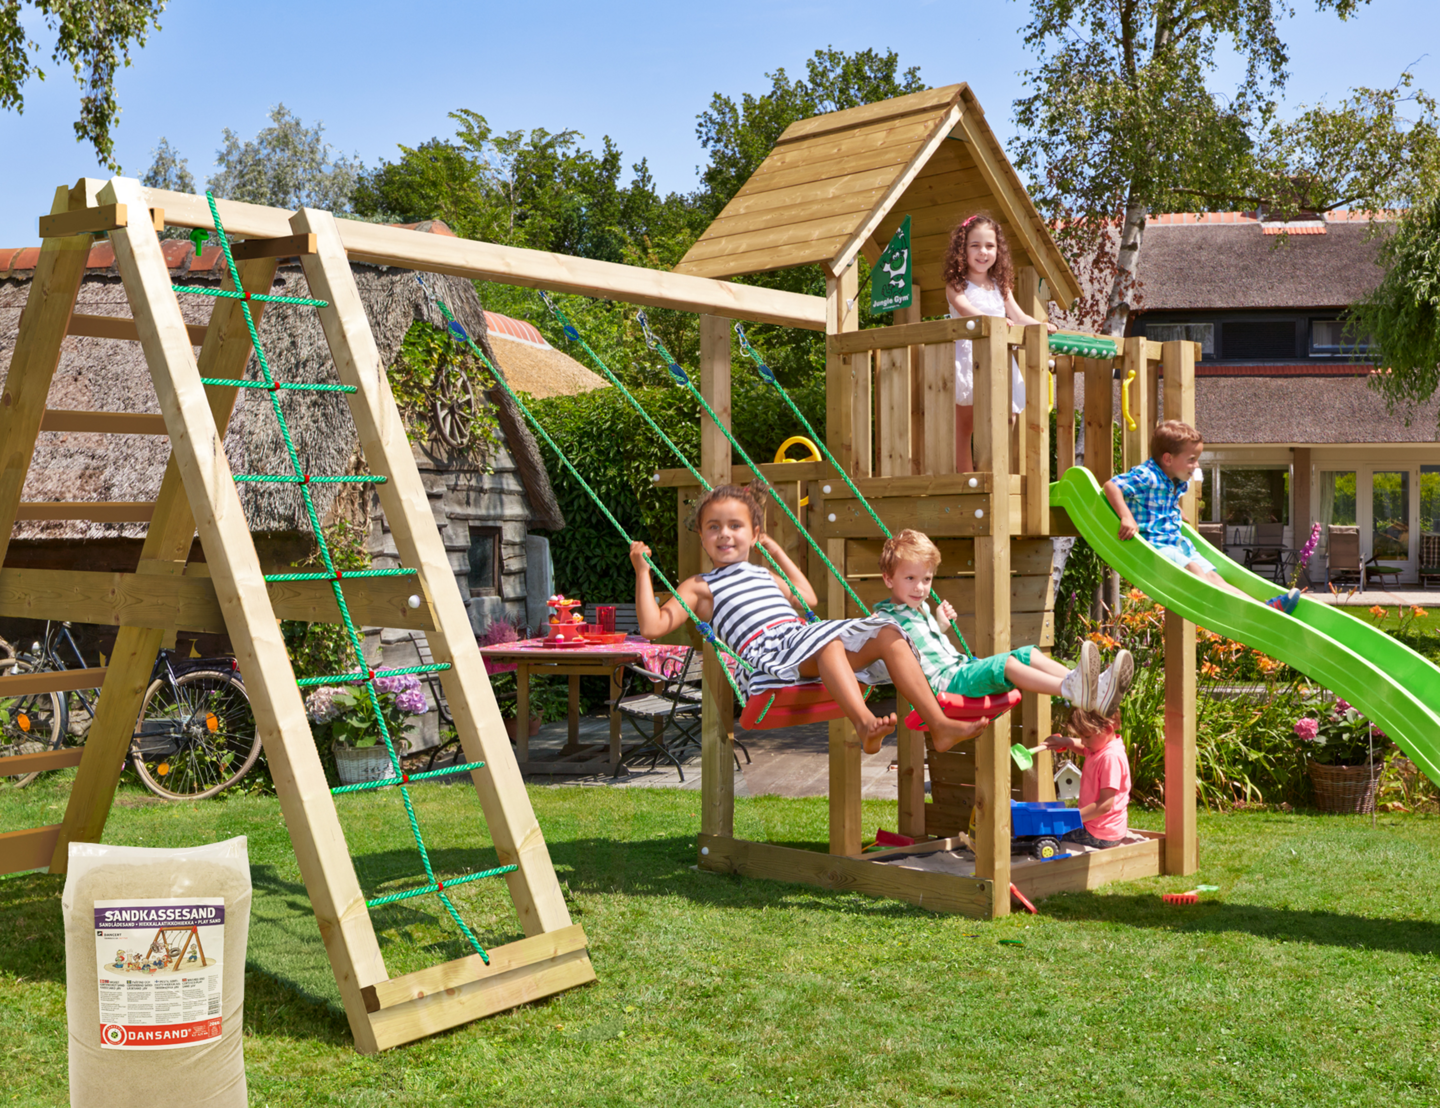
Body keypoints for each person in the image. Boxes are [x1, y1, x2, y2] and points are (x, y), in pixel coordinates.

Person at [631, 485, 989, 756]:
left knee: (889, 632)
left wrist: (775, 551)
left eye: (736, 525)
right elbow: (653, 626)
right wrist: (642, 571)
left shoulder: (764, 575)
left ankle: (939, 725)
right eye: (713, 527)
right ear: (702, 536)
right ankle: (865, 724)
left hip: (801, 640)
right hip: (768, 656)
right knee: (828, 641)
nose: (725, 533)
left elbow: (806, 598)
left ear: (754, 534)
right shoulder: (701, 586)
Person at [872, 529, 1133, 714]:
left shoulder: (921, 610)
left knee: (1027, 654)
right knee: (1005, 664)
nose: (920, 588)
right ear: (888, 579)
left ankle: (1094, 687)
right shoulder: (883, 619)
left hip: (959, 670)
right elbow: (884, 655)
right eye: (910, 579)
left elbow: (921, 647)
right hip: (946, 684)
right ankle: (1070, 689)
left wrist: (939, 626)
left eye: (926, 579)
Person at [1104, 419, 1300, 613]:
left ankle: (1265, 609)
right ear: (1168, 459)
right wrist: (1126, 516)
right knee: (1195, 571)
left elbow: (1160, 500)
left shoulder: (1174, 481)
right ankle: (1233, 611)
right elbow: (1111, 486)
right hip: (1154, 547)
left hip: (1177, 545)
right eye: (1191, 459)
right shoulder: (1147, 475)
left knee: (1215, 577)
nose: (1196, 465)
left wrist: (1175, 509)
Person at [943, 213, 1056, 473]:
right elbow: (965, 308)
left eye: (990, 246)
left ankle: (995, 470)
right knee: (966, 423)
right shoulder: (956, 283)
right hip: (969, 357)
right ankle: (966, 477)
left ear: (998, 250)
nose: (983, 252)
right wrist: (992, 320)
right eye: (975, 245)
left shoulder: (999, 285)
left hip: (999, 357)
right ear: (963, 249)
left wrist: (1039, 325)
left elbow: (1018, 316)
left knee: (1007, 414)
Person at [1045, 707, 1132, 849]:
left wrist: (1071, 819)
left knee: (1048, 832)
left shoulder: (1111, 757)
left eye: (1086, 737)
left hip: (1100, 833)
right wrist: (1066, 742)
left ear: (1108, 729)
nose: (1083, 742)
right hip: (1100, 827)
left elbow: (1104, 805)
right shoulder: (1101, 748)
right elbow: (1084, 749)